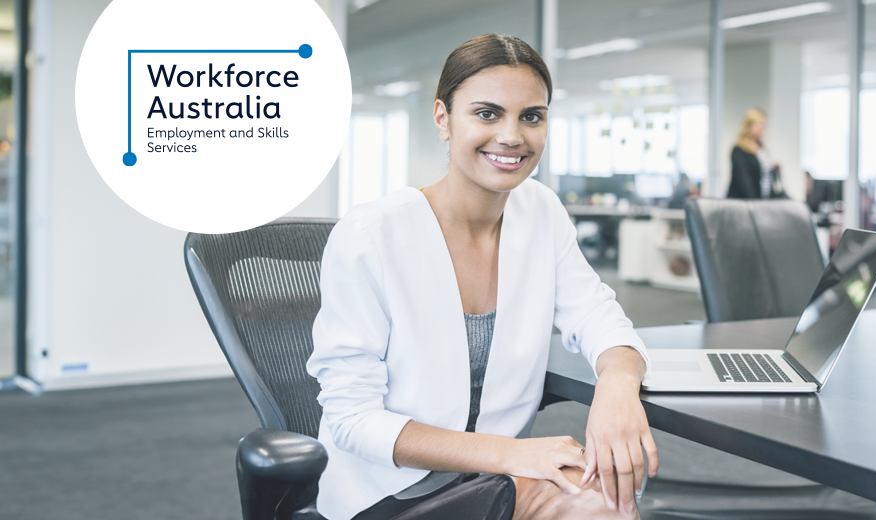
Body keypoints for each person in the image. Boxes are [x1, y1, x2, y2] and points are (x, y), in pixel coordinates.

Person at [306, 34, 657, 520]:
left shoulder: (542, 212)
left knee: (603, 501)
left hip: (492, 481)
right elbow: (353, 421)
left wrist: (617, 387)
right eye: (487, 114)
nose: (512, 136)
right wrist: (512, 454)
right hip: (389, 492)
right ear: (443, 119)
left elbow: (601, 318)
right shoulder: (370, 235)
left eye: (531, 116)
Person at [727, 108, 786, 199]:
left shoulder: (762, 148)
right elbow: (744, 181)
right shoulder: (739, 150)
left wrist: (772, 167)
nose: (764, 128)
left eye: (765, 125)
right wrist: (755, 204)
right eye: (761, 124)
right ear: (750, 125)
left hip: (763, 199)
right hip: (744, 202)